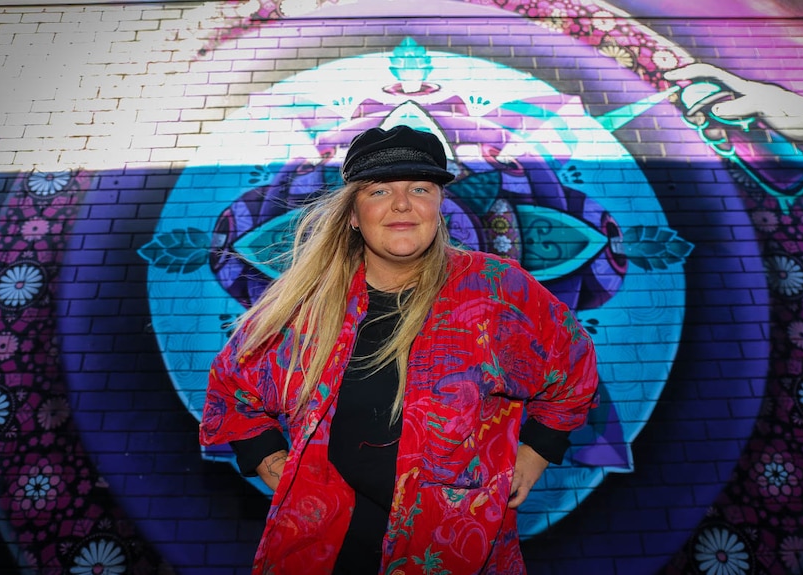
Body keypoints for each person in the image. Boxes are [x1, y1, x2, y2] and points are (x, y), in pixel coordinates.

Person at [199, 124, 599, 575]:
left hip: (455, 554)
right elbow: (233, 386)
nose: (402, 203)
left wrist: (537, 452)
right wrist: (266, 458)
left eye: (420, 187)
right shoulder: (307, 305)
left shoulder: (496, 290)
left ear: (439, 204)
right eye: (380, 190)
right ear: (353, 213)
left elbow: (574, 368)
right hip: (324, 552)